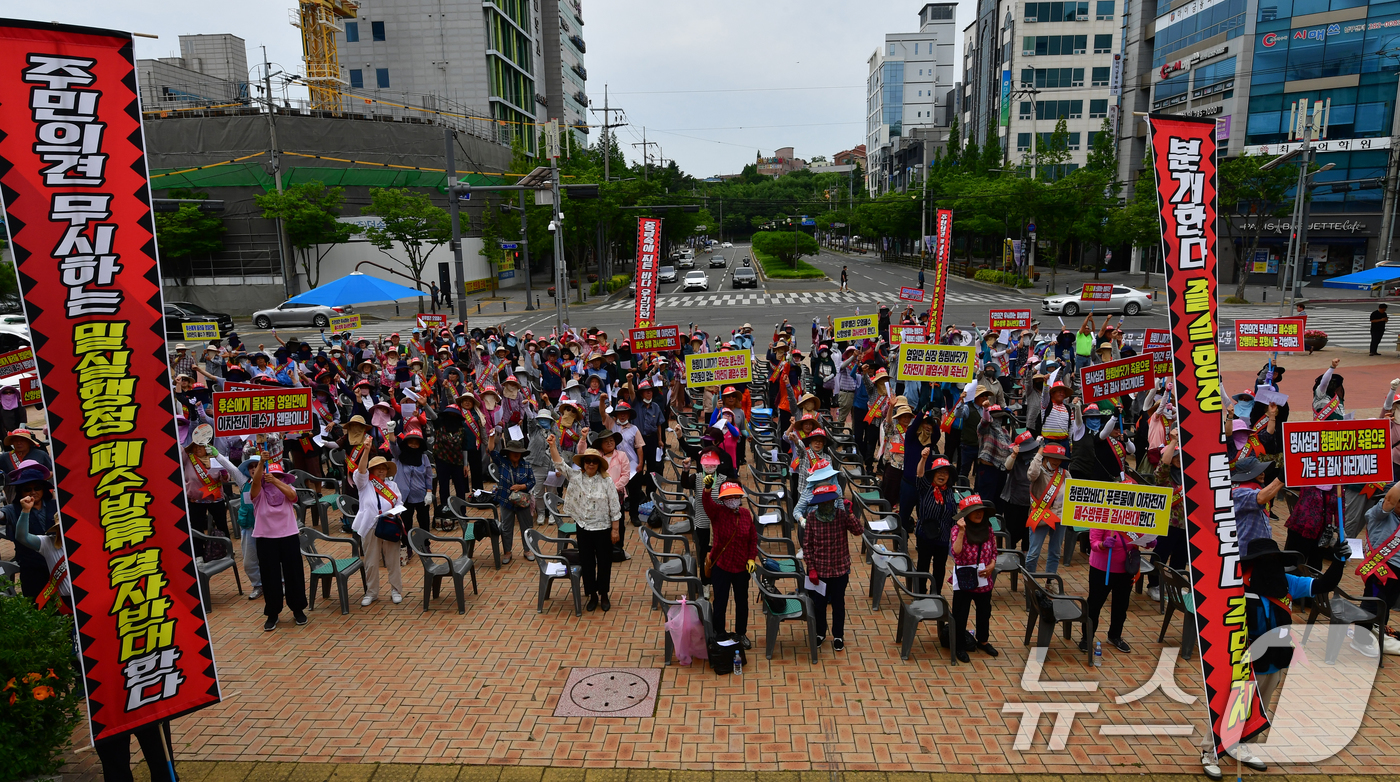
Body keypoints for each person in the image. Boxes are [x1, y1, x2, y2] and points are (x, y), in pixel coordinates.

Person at [549, 435, 622, 612]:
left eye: (594, 461)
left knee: (604, 563)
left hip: (603, 529)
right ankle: (592, 595)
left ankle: (604, 594)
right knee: (587, 563)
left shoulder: (607, 481)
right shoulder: (576, 477)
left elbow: (615, 506)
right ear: (583, 463)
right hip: (583, 528)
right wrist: (552, 445)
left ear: (598, 464)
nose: (590, 464)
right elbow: (560, 464)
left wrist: (615, 530)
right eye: (587, 461)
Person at [800, 482, 862, 651]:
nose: (827, 506)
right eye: (823, 503)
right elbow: (808, 546)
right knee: (818, 605)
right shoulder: (811, 518)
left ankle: (838, 635)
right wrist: (811, 568)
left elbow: (858, 531)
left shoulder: (842, 516)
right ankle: (820, 632)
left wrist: (851, 514)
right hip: (818, 572)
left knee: (838, 604)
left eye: (829, 502)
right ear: (818, 504)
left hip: (839, 570)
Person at [249, 458, 308, 631]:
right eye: (270, 476)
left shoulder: (287, 489)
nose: (273, 479)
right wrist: (261, 463)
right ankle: (273, 613)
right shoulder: (258, 493)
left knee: (294, 574)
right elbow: (254, 486)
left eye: (277, 476)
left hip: (288, 536)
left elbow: (293, 496)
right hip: (265, 539)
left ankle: (298, 610)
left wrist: (275, 481)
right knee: (270, 577)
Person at [701, 477, 759, 649]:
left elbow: (753, 539)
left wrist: (751, 558)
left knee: (742, 602)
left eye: (735, 496)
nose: (732, 500)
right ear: (722, 499)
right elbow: (707, 504)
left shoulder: (746, 515)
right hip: (722, 566)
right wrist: (707, 489)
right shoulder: (717, 513)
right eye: (728, 497)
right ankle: (719, 633)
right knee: (720, 601)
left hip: (742, 567)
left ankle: (741, 633)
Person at [1081, 527, 1153, 653]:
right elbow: (1094, 543)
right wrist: (1103, 545)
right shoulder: (1102, 517)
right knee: (1094, 604)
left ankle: (1115, 636)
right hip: (1101, 570)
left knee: (1121, 606)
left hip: (1126, 570)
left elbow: (1140, 538)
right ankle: (1087, 638)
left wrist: (1148, 543)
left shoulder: (1133, 518)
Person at [949, 494, 1000, 663]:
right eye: (974, 512)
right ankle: (959, 646)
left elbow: (994, 550)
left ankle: (983, 640)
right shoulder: (957, 529)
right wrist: (963, 531)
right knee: (960, 613)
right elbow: (956, 552)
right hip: (964, 578)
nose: (979, 514)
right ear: (966, 515)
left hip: (984, 578)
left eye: (981, 512)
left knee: (984, 612)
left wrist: (992, 564)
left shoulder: (989, 528)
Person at [352, 455, 405, 606]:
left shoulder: (392, 485)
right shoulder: (364, 483)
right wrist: (366, 450)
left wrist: (394, 512)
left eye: (384, 468)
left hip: (389, 525)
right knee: (371, 562)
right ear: (371, 470)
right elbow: (360, 470)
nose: (381, 470)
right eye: (378, 467)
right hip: (370, 525)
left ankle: (396, 590)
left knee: (393, 560)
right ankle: (372, 592)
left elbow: (399, 502)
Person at [487, 433, 536, 564]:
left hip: (522, 500)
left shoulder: (526, 465)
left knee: (527, 526)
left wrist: (521, 486)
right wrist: (491, 436)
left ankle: (528, 550)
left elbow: (532, 481)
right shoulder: (502, 462)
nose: (516, 454)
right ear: (508, 453)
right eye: (513, 452)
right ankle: (507, 552)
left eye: (518, 452)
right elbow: (490, 451)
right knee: (506, 527)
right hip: (505, 500)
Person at [914, 453, 959, 593]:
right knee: (923, 566)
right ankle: (920, 593)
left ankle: (936, 593)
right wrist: (923, 459)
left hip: (943, 537)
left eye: (945, 473)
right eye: (938, 472)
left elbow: (954, 515)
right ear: (933, 474)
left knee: (940, 568)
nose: (942, 475)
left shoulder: (950, 492)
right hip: (925, 535)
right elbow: (920, 474)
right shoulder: (925, 488)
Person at [1025, 443, 1070, 573]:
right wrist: (1039, 453)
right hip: (1040, 516)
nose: (1056, 461)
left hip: (1060, 517)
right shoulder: (1038, 472)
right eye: (1053, 457)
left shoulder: (1065, 474)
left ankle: (1050, 582)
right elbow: (1031, 474)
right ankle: (1030, 582)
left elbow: (1072, 493)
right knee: (1033, 553)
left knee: (1055, 553)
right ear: (1045, 457)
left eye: (1059, 458)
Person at [1231, 456, 1283, 555]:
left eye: (1262, 470)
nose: (1263, 473)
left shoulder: (1256, 488)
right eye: (1258, 471)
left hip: (1260, 549)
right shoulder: (1237, 492)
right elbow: (1260, 498)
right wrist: (1281, 479)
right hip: (1245, 551)